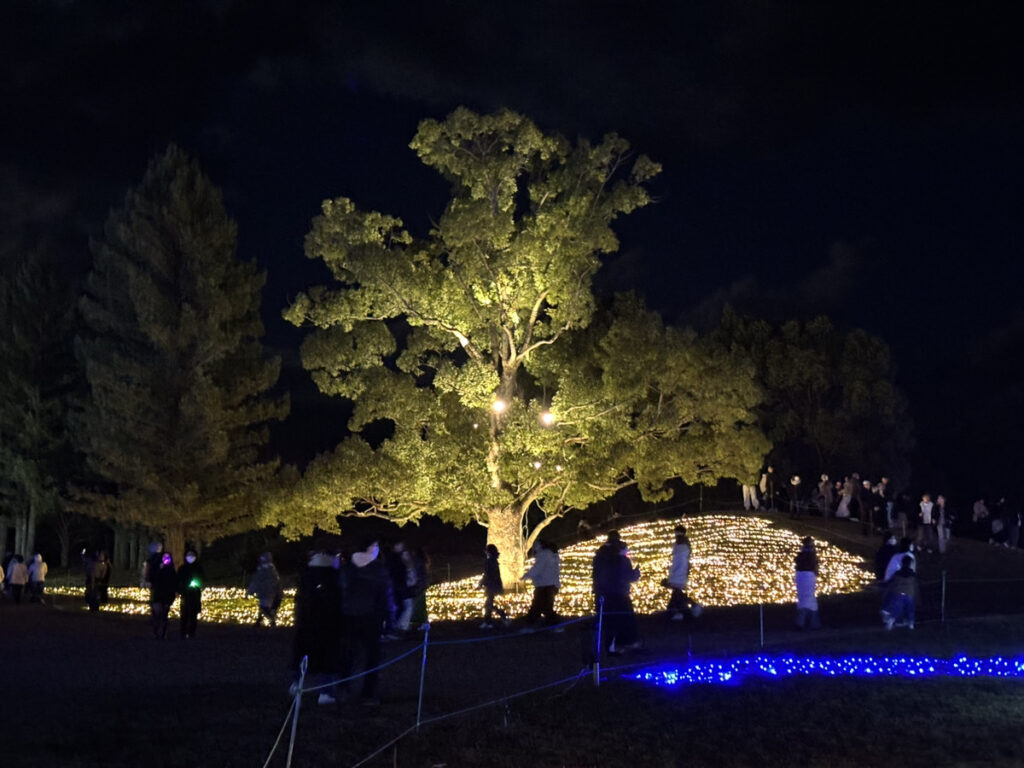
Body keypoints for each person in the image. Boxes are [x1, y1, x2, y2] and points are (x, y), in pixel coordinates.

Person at [339, 539, 391, 706]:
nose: (377, 549)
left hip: (349, 616)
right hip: (372, 617)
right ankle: (368, 694)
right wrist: (389, 618)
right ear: (369, 547)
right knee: (372, 657)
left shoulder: (347, 568)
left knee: (349, 654)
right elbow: (385, 595)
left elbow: (342, 591)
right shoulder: (378, 569)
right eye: (375, 545)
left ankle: (343, 688)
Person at [292, 545, 343, 705]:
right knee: (327, 658)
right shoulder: (333, 575)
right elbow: (337, 600)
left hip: (305, 622)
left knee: (303, 655)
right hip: (327, 623)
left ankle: (296, 685)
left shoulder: (306, 573)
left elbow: (299, 598)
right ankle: (325, 692)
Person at [592, 531, 640, 653]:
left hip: (603, 593)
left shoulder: (600, 555)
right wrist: (636, 572)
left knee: (609, 620)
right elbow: (629, 576)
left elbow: (596, 574)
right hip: (620, 593)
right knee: (623, 619)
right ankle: (623, 643)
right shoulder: (622, 559)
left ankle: (610, 645)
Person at [522, 539, 561, 630]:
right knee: (545, 607)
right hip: (550, 585)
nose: (534, 547)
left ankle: (530, 626)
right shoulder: (551, 555)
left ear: (541, 545)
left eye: (536, 545)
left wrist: (526, 576)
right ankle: (553, 626)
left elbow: (537, 569)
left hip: (544, 586)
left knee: (538, 607)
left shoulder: (544, 555)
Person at [663, 526, 701, 621]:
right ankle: (679, 611)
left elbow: (679, 560)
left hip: (679, 572)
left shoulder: (680, 545)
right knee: (677, 594)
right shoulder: (684, 544)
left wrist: (673, 573)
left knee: (677, 594)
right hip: (679, 571)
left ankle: (687, 609)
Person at [247, 552, 284, 628]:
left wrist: (250, 591)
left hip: (266, 593)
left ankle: (271, 620)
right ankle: (259, 621)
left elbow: (256, 582)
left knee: (264, 607)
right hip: (274, 593)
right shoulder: (273, 571)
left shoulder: (263, 571)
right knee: (264, 606)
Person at [477, 544, 509, 629]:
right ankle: (489, 621)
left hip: (491, 585)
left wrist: (481, 584)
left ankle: (500, 617)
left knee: (488, 604)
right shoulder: (494, 560)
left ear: (488, 552)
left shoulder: (489, 561)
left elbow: (487, 575)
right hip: (494, 585)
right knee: (489, 604)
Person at [177, 548, 205, 638]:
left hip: (195, 594)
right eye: (189, 555)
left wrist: (197, 583)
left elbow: (202, 579)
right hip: (185, 593)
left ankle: (192, 632)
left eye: (192, 555)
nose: (190, 557)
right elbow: (178, 580)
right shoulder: (182, 568)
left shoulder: (199, 568)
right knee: (184, 613)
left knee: (193, 614)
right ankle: (183, 631)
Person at [884, 555, 918, 630]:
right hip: (909, 594)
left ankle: (890, 622)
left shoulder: (897, 573)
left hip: (898, 593)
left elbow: (891, 582)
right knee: (910, 609)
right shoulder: (913, 574)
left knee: (896, 609)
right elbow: (916, 584)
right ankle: (911, 625)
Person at [149, 552, 178, 639]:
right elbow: (152, 579)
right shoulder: (157, 568)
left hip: (167, 596)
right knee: (157, 614)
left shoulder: (172, 571)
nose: (166, 560)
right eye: (164, 558)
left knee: (164, 615)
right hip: (158, 595)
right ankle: (156, 631)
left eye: (168, 558)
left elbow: (174, 583)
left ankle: (163, 633)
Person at [794, 537, 820, 629]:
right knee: (809, 599)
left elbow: (796, 562)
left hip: (800, 576)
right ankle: (813, 623)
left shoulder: (801, 555)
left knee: (804, 600)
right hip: (808, 576)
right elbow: (815, 566)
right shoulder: (811, 555)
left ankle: (802, 622)